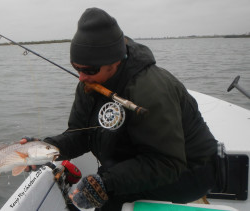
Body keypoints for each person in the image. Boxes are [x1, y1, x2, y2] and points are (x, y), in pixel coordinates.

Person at [23, 7, 221, 211]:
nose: (81, 77)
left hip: (190, 171)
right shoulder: (89, 83)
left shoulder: (150, 90)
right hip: (136, 159)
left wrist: (107, 183)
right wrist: (42, 149)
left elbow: (167, 164)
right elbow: (80, 136)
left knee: (111, 199)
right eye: (77, 68)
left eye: (89, 70)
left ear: (115, 61)